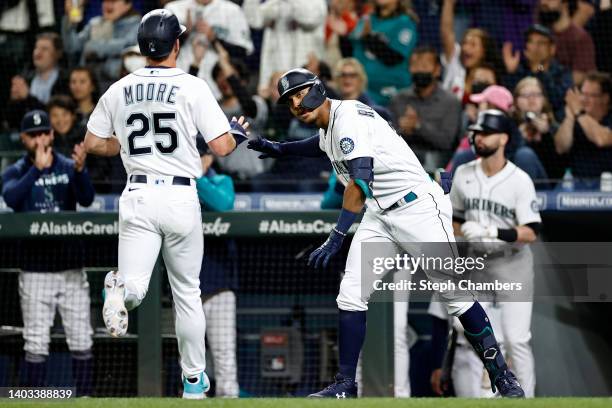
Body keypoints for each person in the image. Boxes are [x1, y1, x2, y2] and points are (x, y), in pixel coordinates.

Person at [247, 68, 524, 398]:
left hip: (418, 208)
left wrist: (337, 235)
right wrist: (278, 148)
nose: (296, 103)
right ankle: (345, 385)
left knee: (455, 295)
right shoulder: (331, 124)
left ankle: (503, 377)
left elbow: (359, 183)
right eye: (290, 99)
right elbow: (318, 145)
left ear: (318, 88)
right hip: (381, 215)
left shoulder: (347, 116)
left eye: (301, 93)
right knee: (351, 294)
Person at [82, 9, 248, 399]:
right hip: (178, 195)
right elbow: (222, 145)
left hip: (137, 193)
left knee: (136, 287)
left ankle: (118, 292)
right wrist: (238, 132)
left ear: (143, 47)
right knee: (187, 292)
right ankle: (193, 382)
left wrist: (122, 145)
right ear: (176, 44)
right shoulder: (191, 85)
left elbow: (91, 143)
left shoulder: (119, 87)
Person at [1, 109, 94, 395]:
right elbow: (12, 198)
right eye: (34, 135)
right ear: (24, 138)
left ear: (52, 134)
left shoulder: (68, 165)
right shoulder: (15, 171)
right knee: (36, 341)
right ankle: (33, 400)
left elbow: (87, 198)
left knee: (81, 337)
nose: (41, 139)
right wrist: (37, 170)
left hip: (70, 268)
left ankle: (86, 399)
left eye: (45, 133)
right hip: (35, 270)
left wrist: (80, 172)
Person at [451, 109, 541, 397]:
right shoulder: (464, 174)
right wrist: (466, 230)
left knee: (516, 340)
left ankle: (524, 400)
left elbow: (530, 232)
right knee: (469, 339)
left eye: (486, 133)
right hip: (477, 266)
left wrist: (493, 232)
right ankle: (473, 401)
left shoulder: (520, 179)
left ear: (503, 138)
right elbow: (452, 220)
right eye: (476, 133)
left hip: (512, 265)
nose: (478, 138)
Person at [195, 140, 239, 397]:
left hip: (220, 284)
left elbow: (223, 205)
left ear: (208, 158)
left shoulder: (222, 181)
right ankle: (193, 398)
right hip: (188, 285)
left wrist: (197, 178)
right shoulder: (178, 186)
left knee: (224, 353)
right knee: (190, 354)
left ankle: (229, 399)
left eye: (198, 156)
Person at [389, 46, 462, 172]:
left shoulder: (451, 102)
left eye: (424, 66)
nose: (419, 70)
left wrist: (418, 126)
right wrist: (402, 129)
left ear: (437, 70)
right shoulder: (398, 99)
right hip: (401, 164)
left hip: (438, 167)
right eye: (415, 65)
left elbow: (446, 142)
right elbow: (388, 139)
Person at [165, 0, 254, 98]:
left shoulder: (232, 11)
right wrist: (184, 34)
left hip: (218, 89)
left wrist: (214, 39)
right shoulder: (173, 9)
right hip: (181, 84)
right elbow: (161, 52)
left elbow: (242, 52)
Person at [242, 0, 327, 95]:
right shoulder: (276, 3)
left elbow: (309, 19)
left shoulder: (316, 2)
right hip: (275, 71)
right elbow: (254, 20)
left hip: (303, 69)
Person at [348, 0, 418, 105]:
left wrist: (368, 38)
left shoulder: (405, 23)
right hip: (363, 92)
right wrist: (343, 35)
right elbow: (352, 52)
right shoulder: (366, 19)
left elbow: (394, 57)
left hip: (391, 94)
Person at [62, 0, 140, 89]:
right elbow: (71, 47)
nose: (108, 5)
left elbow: (127, 45)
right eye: (105, 1)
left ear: (128, 4)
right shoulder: (95, 23)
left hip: (120, 86)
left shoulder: (137, 25)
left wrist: (94, 47)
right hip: (89, 88)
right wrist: (69, 19)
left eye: (113, 1)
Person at [502, 24, 572, 122]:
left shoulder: (562, 73)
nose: (535, 47)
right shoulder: (520, 69)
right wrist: (511, 72)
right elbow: (509, 98)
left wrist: (538, 68)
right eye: (531, 42)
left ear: (552, 48)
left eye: (541, 43)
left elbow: (556, 100)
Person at [439, 0, 502, 102]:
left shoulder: (487, 76)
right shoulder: (455, 62)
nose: (465, 48)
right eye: (464, 43)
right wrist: (448, 3)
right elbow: (446, 32)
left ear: (483, 51)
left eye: (473, 44)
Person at [554, 71, 612, 181]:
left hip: (607, 187)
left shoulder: (581, 114)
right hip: (575, 185)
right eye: (582, 94)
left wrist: (578, 112)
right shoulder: (577, 117)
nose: (584, 99)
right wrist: (570, 117)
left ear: (605, 98)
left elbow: (601, 139)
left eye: (590, 95)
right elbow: (561, 147)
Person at [5, 32, 69, 130]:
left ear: (57, 54)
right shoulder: (26, 78)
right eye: (36, 48)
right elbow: (11, 120)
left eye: (44, 49)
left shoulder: (65, 79)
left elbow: (56, 115)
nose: (38, 52)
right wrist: (14, 101)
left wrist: (27, 97)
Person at [514, 76, 568, 180]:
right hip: (512, 183)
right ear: (516, 101)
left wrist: (546, 135)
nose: (531, 99)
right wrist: (520, 138)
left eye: (536, 95)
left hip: (546, 187)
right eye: (525, 95)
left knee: (525, 155)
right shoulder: (510, 125)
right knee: (524, 155)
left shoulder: (554, 127)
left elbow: (559, 171)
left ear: (543, 99)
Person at [536, 0, 596, 84]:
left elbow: (577, 79)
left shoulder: (580, 38)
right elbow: (538, 68)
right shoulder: (540, 36)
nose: (543, 3)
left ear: (565, 2)